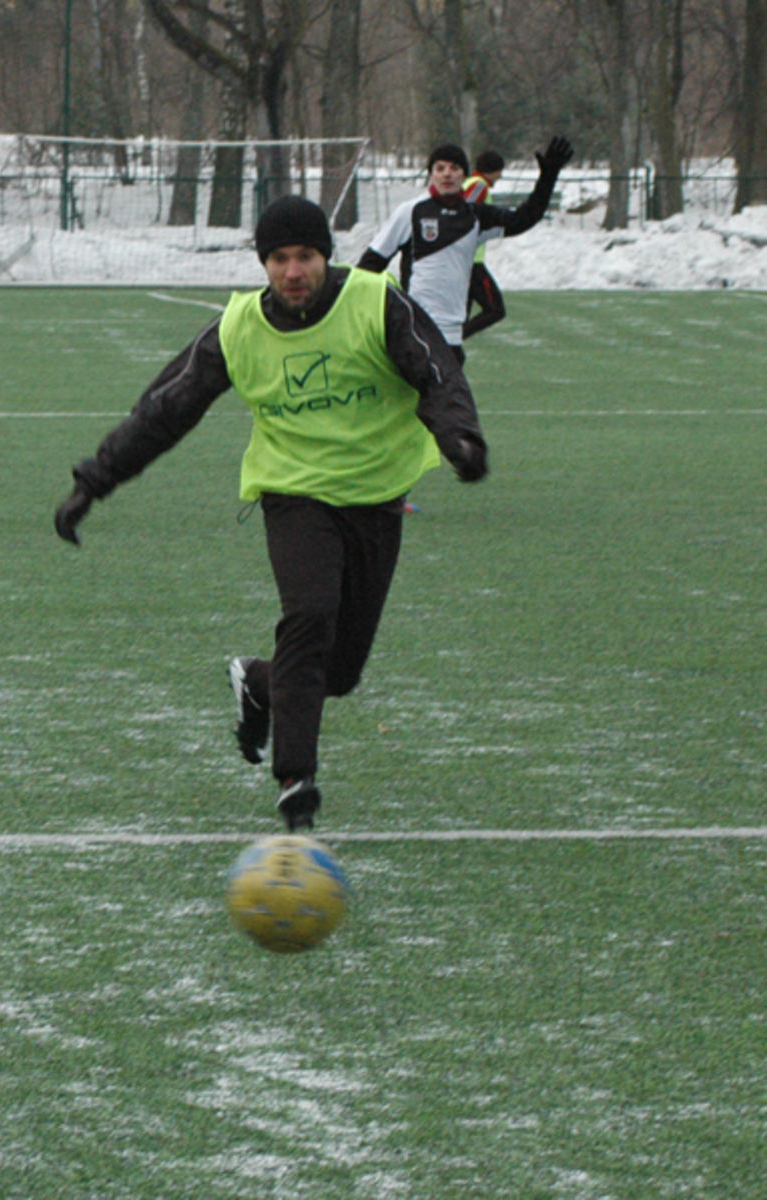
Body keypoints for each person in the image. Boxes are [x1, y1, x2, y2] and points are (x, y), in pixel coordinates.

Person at [52, 196, 488, 831]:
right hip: (294, 494)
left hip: (376, 498)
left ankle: (259, 683)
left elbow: (438, 373)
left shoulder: (375, 301)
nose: (292, 272)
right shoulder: (238, 329)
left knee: (338, 673)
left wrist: (460, 438)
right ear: (263, 264)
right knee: (309, 618)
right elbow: (165, 411)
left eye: (305, 257)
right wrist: (94, 481)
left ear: (325, 258)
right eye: (279, 259)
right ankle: (296, 781)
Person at [356, 136, 573, 362]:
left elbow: (523, 219)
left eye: (454, 168)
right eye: (440, 168)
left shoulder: (476, 216)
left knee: (449, 396)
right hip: (415, 332)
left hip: (451, 337)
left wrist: (548, 177)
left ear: (464, 175)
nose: (447, 174)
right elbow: (370, 264)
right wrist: (362, 314)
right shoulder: (411, 212)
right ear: (431, 175)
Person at [461, 150, 507, 340]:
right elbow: (465, 210)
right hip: (472, 262)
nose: (501, 176)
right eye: (499, 171)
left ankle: (450, 346)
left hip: (465, 261)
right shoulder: (479, 186)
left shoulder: (469, 183)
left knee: (461, 314)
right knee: (495, 309)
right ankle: (454, 339)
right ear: (491, 171)